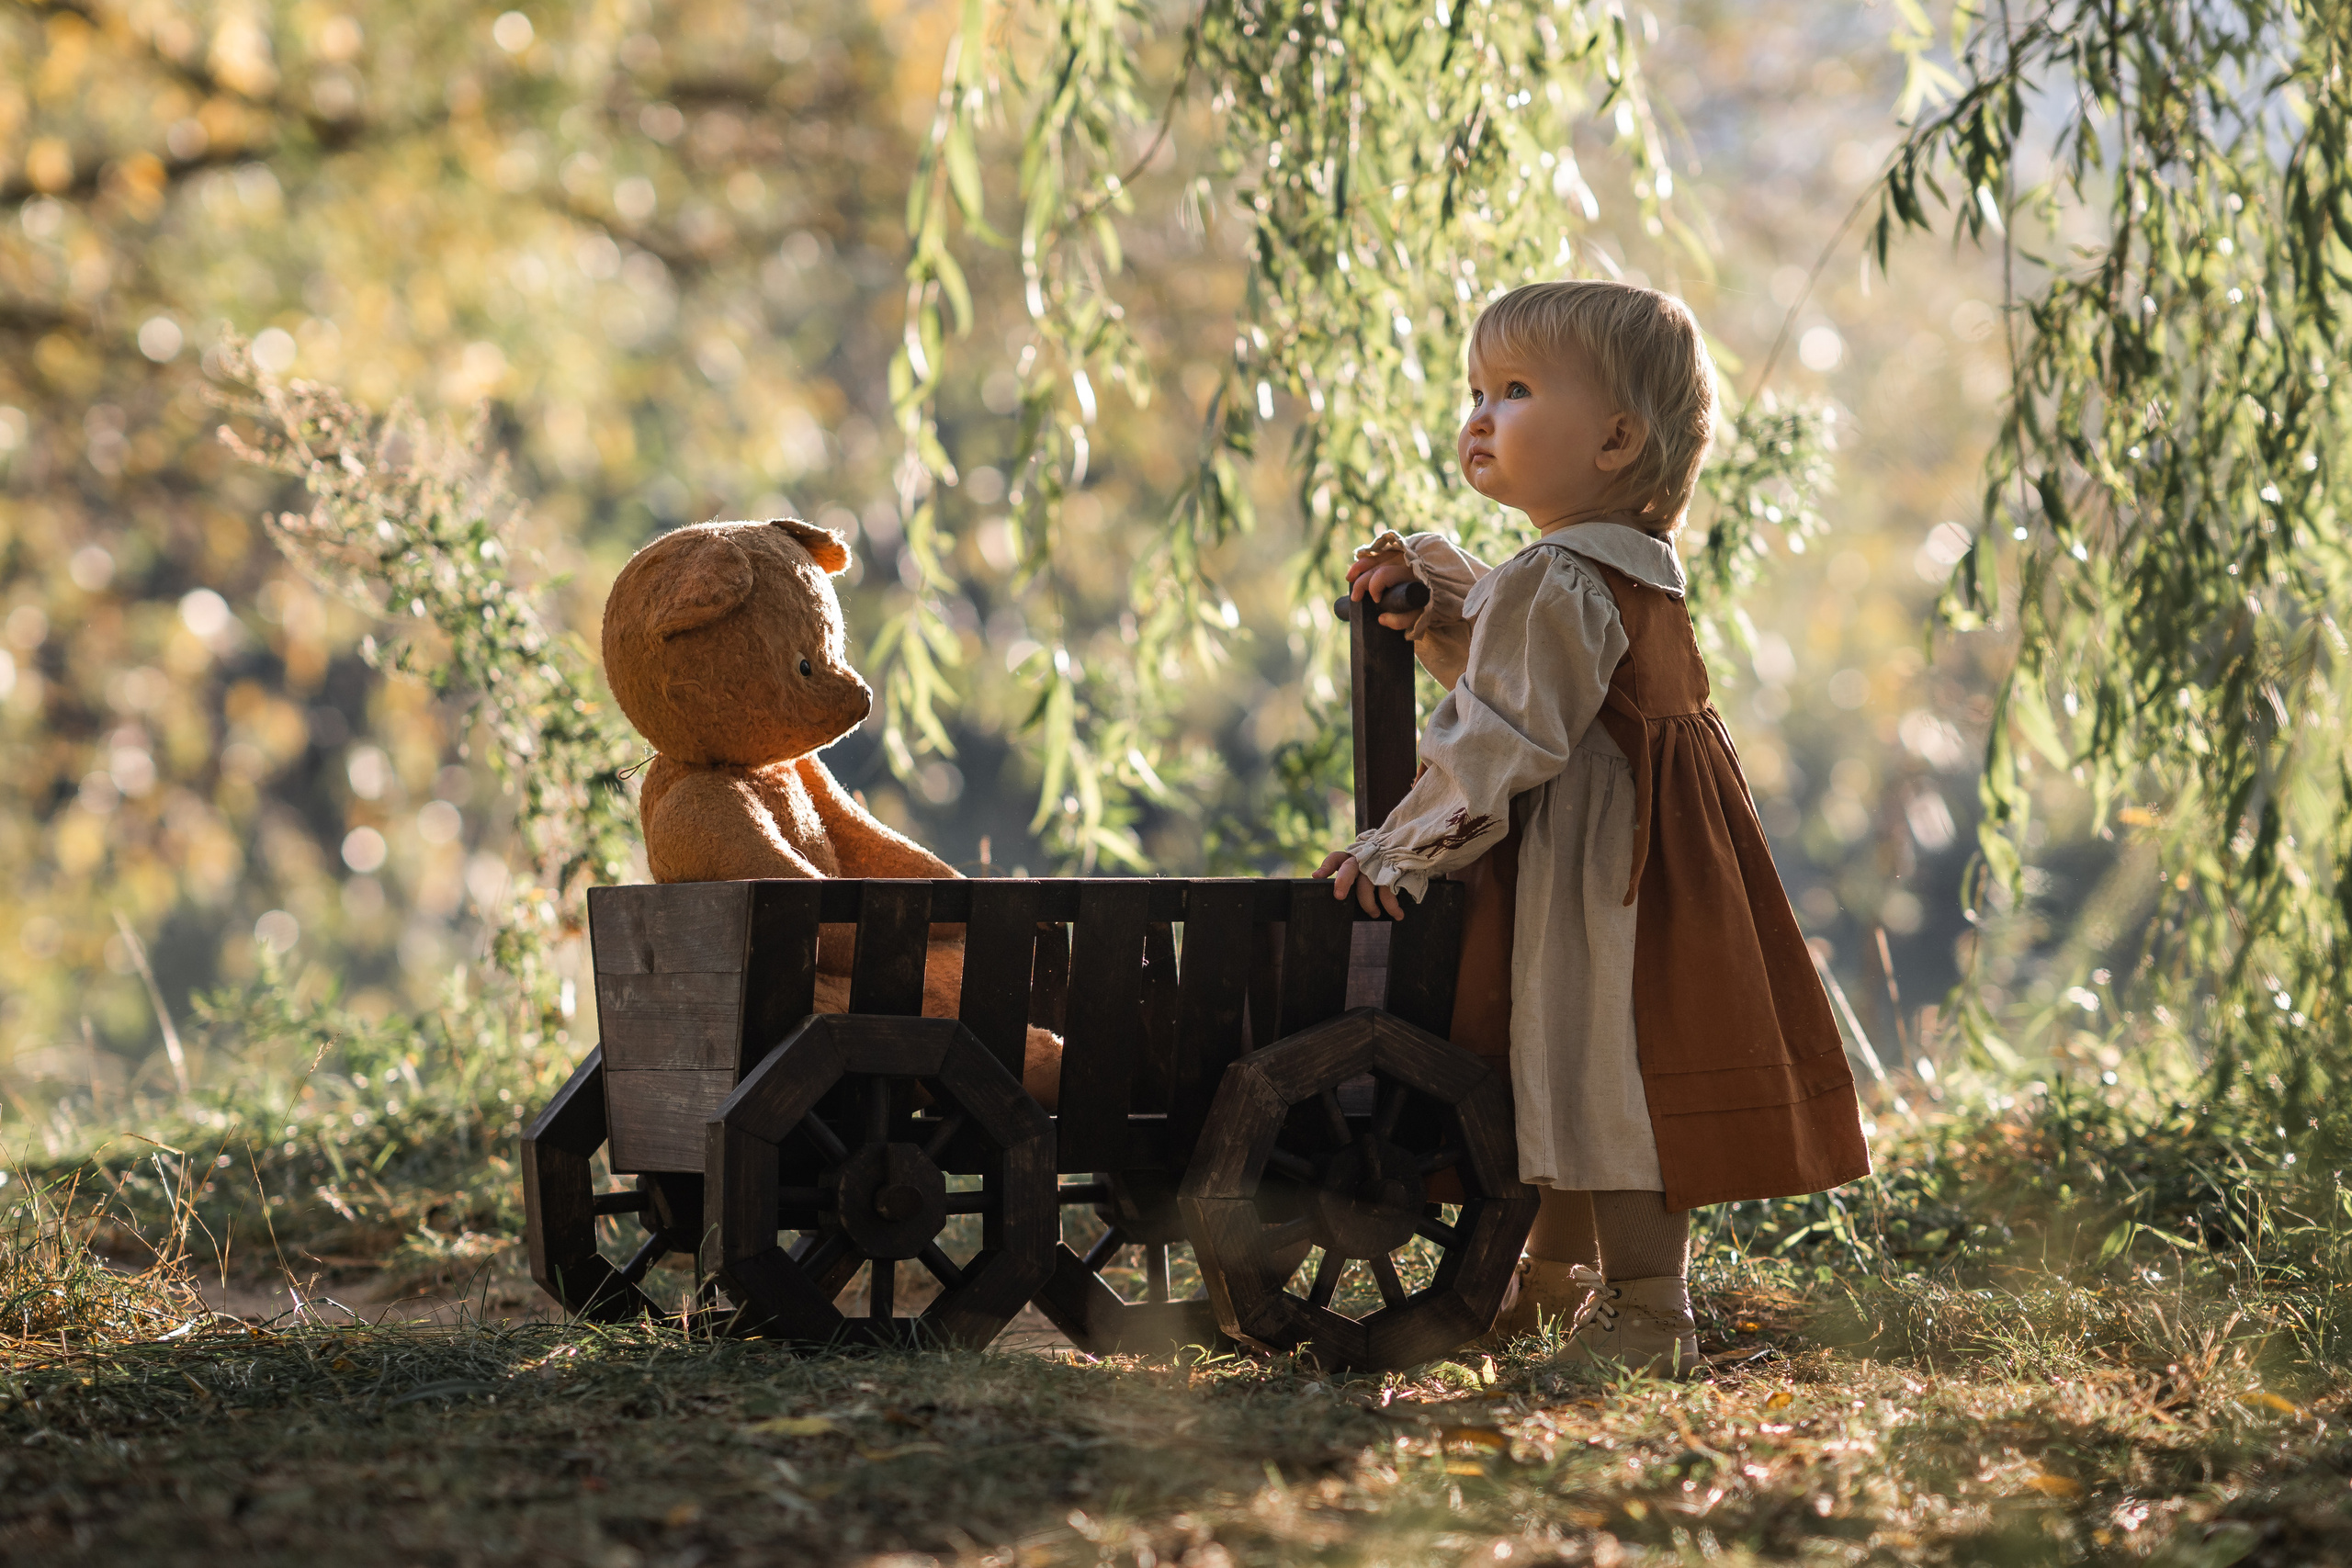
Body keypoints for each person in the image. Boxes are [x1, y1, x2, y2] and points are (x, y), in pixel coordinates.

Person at [1317, 278, 1871, 1377]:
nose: (1480, 414)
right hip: (1651, 863)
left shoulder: (1560, 578)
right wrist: (1437, 606)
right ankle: (1555, 1283)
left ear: (1615, 438)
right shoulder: (1612, 569)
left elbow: (1504, 735)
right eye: (1477, 389)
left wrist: (1400, 844)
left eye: (1516, 390)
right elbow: (1522, 668)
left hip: (1599, 876)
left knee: (1602, 1071)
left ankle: (1647, 1314)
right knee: (1565, 1063)